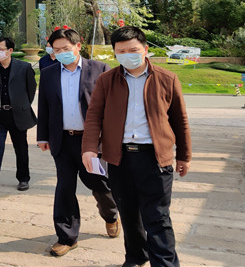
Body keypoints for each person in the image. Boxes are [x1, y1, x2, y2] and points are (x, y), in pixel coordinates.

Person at [82, 26, 191, 267]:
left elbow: (180, 120)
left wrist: (184, 155)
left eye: (132, 50)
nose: (127, 55)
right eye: (121, 51)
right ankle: (135, 257)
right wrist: (89, 148)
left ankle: (164, 263)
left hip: (154, 158)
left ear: (145, 49)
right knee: (129, 213)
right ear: (115, 53)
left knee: (157, 217)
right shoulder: (107, 80)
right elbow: (94, 116)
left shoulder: (166, 78)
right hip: (120, 158)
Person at [36, 27, 120, 257]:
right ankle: (67, 237)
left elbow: (112, 107)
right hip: (62, 139)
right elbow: (44, 106)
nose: (61, 53)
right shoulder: (49, 73)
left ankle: (111, 215)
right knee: (64, 187)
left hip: (91, 142)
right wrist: (42, 136)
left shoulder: (100, 69)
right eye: (56, 50)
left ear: (78, 46)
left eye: (65, 48)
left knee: (99, 184)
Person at [0, 36, 37, 199]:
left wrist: (22, 105)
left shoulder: (24, 67)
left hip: (17, 114)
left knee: (21, 149)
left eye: (0, 49)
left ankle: (23, 178)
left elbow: (31, 90)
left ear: (10, 51)